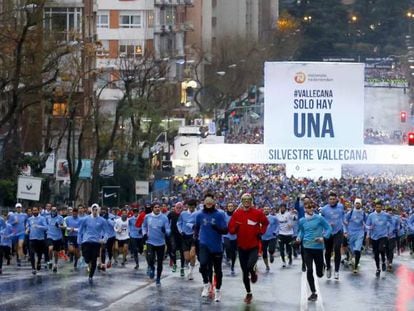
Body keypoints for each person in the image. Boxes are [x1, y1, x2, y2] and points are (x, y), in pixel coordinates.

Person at [228, 193, 269, 304]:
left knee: (250, 265)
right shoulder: (237, 214)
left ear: (251, 201)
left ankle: (253, 273)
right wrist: (235, 227)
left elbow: (265, 223)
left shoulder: (257, 213)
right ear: (241, 201)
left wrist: (261, 232)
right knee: (244, 272)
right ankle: (249, 293)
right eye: (244, 200)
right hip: (241, 247)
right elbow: (231, 229)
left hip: (253, 246)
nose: (246, 202)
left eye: (248, 200)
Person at [194, 193, 227, 302]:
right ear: (203, 202)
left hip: (216, 246)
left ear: (213, 202)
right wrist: (195, 239)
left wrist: (217, 228)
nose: (208, 203)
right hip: (204, 244)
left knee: (217, 270)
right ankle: (206, 284)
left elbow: (225, 230)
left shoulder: (219, 215)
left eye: (210, 202)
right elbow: (196, 228)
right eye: (206, 201)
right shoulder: (199, 215)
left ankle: (217, 290)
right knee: (203, 265)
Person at [297, 199, 332, 302]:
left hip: (318, 248)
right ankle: (313, 292)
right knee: (309, 270)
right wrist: (299, 238)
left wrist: (323, 238)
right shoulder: (302, 220)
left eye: (312, 207)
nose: (311, 209)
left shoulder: (319, 218)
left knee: (319, 274)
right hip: (307, 247)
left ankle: (323, 267)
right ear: (305, 209)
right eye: (308, 207)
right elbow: (301, 232)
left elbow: (328, 228)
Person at [142, 202, 171, 287]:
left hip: (161, 243)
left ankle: (158, 278)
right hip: (150, 241)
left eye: (159, 207)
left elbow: (168, 230)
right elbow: (143, 226)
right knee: (150, 258)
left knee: (160, 262)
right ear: (152, 208)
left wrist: (165, 231)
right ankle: (151, 267)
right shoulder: (147, 217)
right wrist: (144, 234)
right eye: (155, 207)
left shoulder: (164, 218)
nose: (157, 208)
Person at [77, 203, 106, 283]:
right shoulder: (85, 219)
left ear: (98, 210)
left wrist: (104, 239)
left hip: (96, 242)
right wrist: (79, 240)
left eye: (96, 209)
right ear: (91, 210)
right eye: (93, 209)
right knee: (87, 258)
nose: (95, 211)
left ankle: (91, 276)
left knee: (94, 259)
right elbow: (80, 230)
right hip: (86, 241)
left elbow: (106, 231)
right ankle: (86, 261)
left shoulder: (102, 220)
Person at [321, 191, 345, 280]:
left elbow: (343, 217)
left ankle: (337, 271)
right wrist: (327, 225)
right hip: (328, 232)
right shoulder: (324, 209)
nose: (332, 201)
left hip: (338, 231)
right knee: (328, 251)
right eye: (330, 199)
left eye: (333, 199)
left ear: (336, 200)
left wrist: (344, 225)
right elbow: (321, 220)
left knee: (337, 249)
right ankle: (328, 267)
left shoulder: (341, 207)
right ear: (328, 200)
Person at [366, 200, 392, 278]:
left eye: (380, 207)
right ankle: (378, 268)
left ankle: (383, 261)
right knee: (376, 254)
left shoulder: (386, 215)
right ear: (375, 207)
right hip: (374, 237)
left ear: (382, 207)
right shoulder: (371, 215)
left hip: (383, 236)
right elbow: (367, 225)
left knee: (381, 249)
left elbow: (391, 222)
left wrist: (389, 231)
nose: (378, 208)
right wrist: (368, 234)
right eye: (377, 207)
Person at [343, 198, 366, 273]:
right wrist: (345, 231)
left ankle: (356, 266)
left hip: (360, 233)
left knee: (357, 250)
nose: (357, 204)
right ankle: (351, 257)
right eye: (356, 203)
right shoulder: (350, 212)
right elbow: (344, 222)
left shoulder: (363, 213)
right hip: (351, 233)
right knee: (352, 249)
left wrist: (367, 232)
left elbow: (367, 223)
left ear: (361, 204)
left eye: (359, 203)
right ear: (354, 204)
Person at [177, 199, 198, 280]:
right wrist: (181, 231)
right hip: (185, 237)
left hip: (193, 237)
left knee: (192, 255)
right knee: (187, 258)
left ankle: (191, 272)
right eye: (190, 207)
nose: (191, 208)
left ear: (195, 206)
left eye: (193, 207)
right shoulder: (183, 214)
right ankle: (189, 265)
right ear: (187, 206)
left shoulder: (198, 214)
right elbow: (178, 223)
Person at [26, 206, 48, 275]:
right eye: (33, 210)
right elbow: (28, 226)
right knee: (32, 253)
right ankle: (33, 268)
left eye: (36, 210)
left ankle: (38, 262)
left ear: (38, 211)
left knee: (39, 254)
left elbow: (46, 227)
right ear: (32, 211)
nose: (35, 212)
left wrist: (39, 226)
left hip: (40, 239)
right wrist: (27, 229)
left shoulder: (42, 218)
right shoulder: (29, 219)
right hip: (32, 239)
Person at [168, 202, 185, 276]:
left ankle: (182, 268)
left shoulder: (184, 214)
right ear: (175, 208)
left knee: (182, 252)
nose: (178, 209)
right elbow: (165, 220)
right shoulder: (171, 213)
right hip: (173, 234)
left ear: (182, 208)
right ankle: (174, 264)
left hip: (182, 235)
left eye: (180, 208)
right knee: (173, 249)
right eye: (177, 208)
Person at [46, 206, 65, 272]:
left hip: (58, 237)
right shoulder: (47, 217)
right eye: (52, 210)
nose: (54, 211)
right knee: (50, 248)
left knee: (56, 253)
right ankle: (50, 261)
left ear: (57, 210)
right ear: (50, 210)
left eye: (55, 210)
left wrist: (59, 226)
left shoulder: (60, 218)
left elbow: (64, 227)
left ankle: (55, 264)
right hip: (50, 236)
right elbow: (45, 225)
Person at [275, 203, 294, 267]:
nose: (282, 208)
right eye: (281, 207)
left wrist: (291, 224)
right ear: (280, 208)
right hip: (281, 233)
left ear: (285, 208)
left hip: (288, 233)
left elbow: (294, 218)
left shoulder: (289, 214)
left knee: (289, 248)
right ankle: (283, 261)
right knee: (281, 249)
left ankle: (290, 258)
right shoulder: (277, 215)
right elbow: (276, 224)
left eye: (284, 207)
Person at [261, 205, 279, 271]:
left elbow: (278, 225)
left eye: (267, 209)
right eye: (265, 209)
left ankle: (271, 254)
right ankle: (267, 265)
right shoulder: (260, 218)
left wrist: (275, 232)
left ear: (269, 210)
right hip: (263, 237)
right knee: (264, 253)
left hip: (272, 236)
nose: (266, 210)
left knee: (271, 249)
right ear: (263, 210)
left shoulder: (274, 218)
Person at [222, 202, 238, 275]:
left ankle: (232, 266)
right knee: (227, 246)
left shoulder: (236, 215)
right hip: (226, 235)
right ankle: (227, 257)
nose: (230, 207)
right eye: (229, 206)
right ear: (227, 207)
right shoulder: (224, 215)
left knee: (234, 252)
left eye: (232, 206)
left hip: (234, 236)